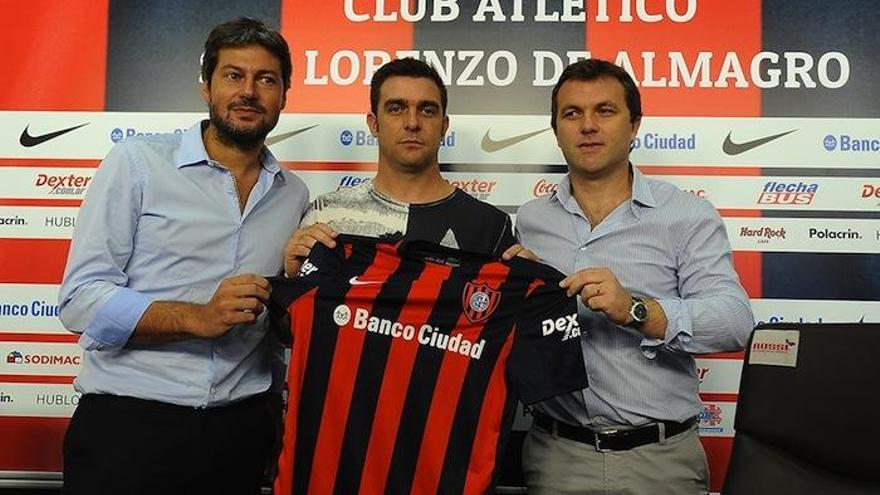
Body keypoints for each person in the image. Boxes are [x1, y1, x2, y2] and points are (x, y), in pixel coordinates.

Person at [57, 18, 308, 495]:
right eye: (234, 76)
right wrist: (196, 317)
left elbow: (273, 332)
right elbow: (80, 300)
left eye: (266, 79)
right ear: (205, 86)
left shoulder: (292, 193)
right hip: (129, 430)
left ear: (284, 95)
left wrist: (278, 419)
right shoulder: (136, 163)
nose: (249, 92)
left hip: (240, 435)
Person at [516, 59, 755, 494]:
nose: (588, 125)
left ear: (634, 125)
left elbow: (736, 320)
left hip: (659, 463)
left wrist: (638, 310)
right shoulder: (531, 221)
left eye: (604, 111)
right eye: (572, 114)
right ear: (556, 130)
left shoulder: (686, 215)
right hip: (557, 458)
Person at [283, 57, 520, 277]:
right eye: (396, 108)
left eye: (427, 110)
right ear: (374, 124)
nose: (413, 123)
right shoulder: (325, 215)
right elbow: (298, 319)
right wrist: (294, 278)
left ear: (444, 126)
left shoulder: (491, 225)